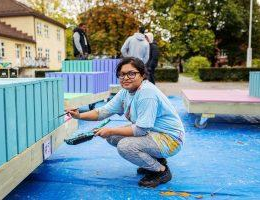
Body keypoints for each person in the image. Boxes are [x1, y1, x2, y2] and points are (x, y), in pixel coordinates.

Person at [68, 57, 185, 188]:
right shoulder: (125, 92)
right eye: (122, 74)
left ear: (142, 75)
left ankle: (161, 171)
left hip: (170, 139)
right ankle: (156, 160)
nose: (126, 77)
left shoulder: (147, 93)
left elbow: (141, 130)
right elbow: (102, 111)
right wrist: (78, 115)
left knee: (125, 146)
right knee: (112, 137)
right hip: (153, 133)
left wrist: (111, 130)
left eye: (132, 73)